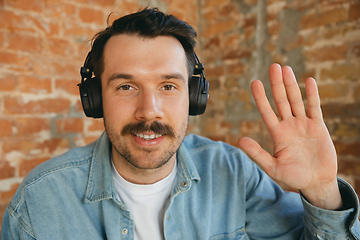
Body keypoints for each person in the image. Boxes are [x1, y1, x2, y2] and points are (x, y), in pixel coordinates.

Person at [1, 7, 359, 240]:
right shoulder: (39, 202)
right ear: (94, 99)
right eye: (126, 86)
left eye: (168, 86)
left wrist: (323, 191)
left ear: (195, 96)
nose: (149, 111)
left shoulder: (235, 172)